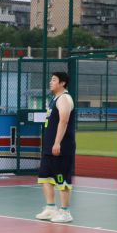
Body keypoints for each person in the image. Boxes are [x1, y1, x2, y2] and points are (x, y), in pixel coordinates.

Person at [35, 72, 76, 223]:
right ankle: (50, 208)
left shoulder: (65, 98)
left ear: (62, 83)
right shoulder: (54, 99)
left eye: (54, 80)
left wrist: (57, 142)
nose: (50, 82)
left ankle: (65, 211)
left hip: (62, 147)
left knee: (61, 179)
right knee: (44, 176)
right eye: (50, 79)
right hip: (49, 147)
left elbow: (64, 121)